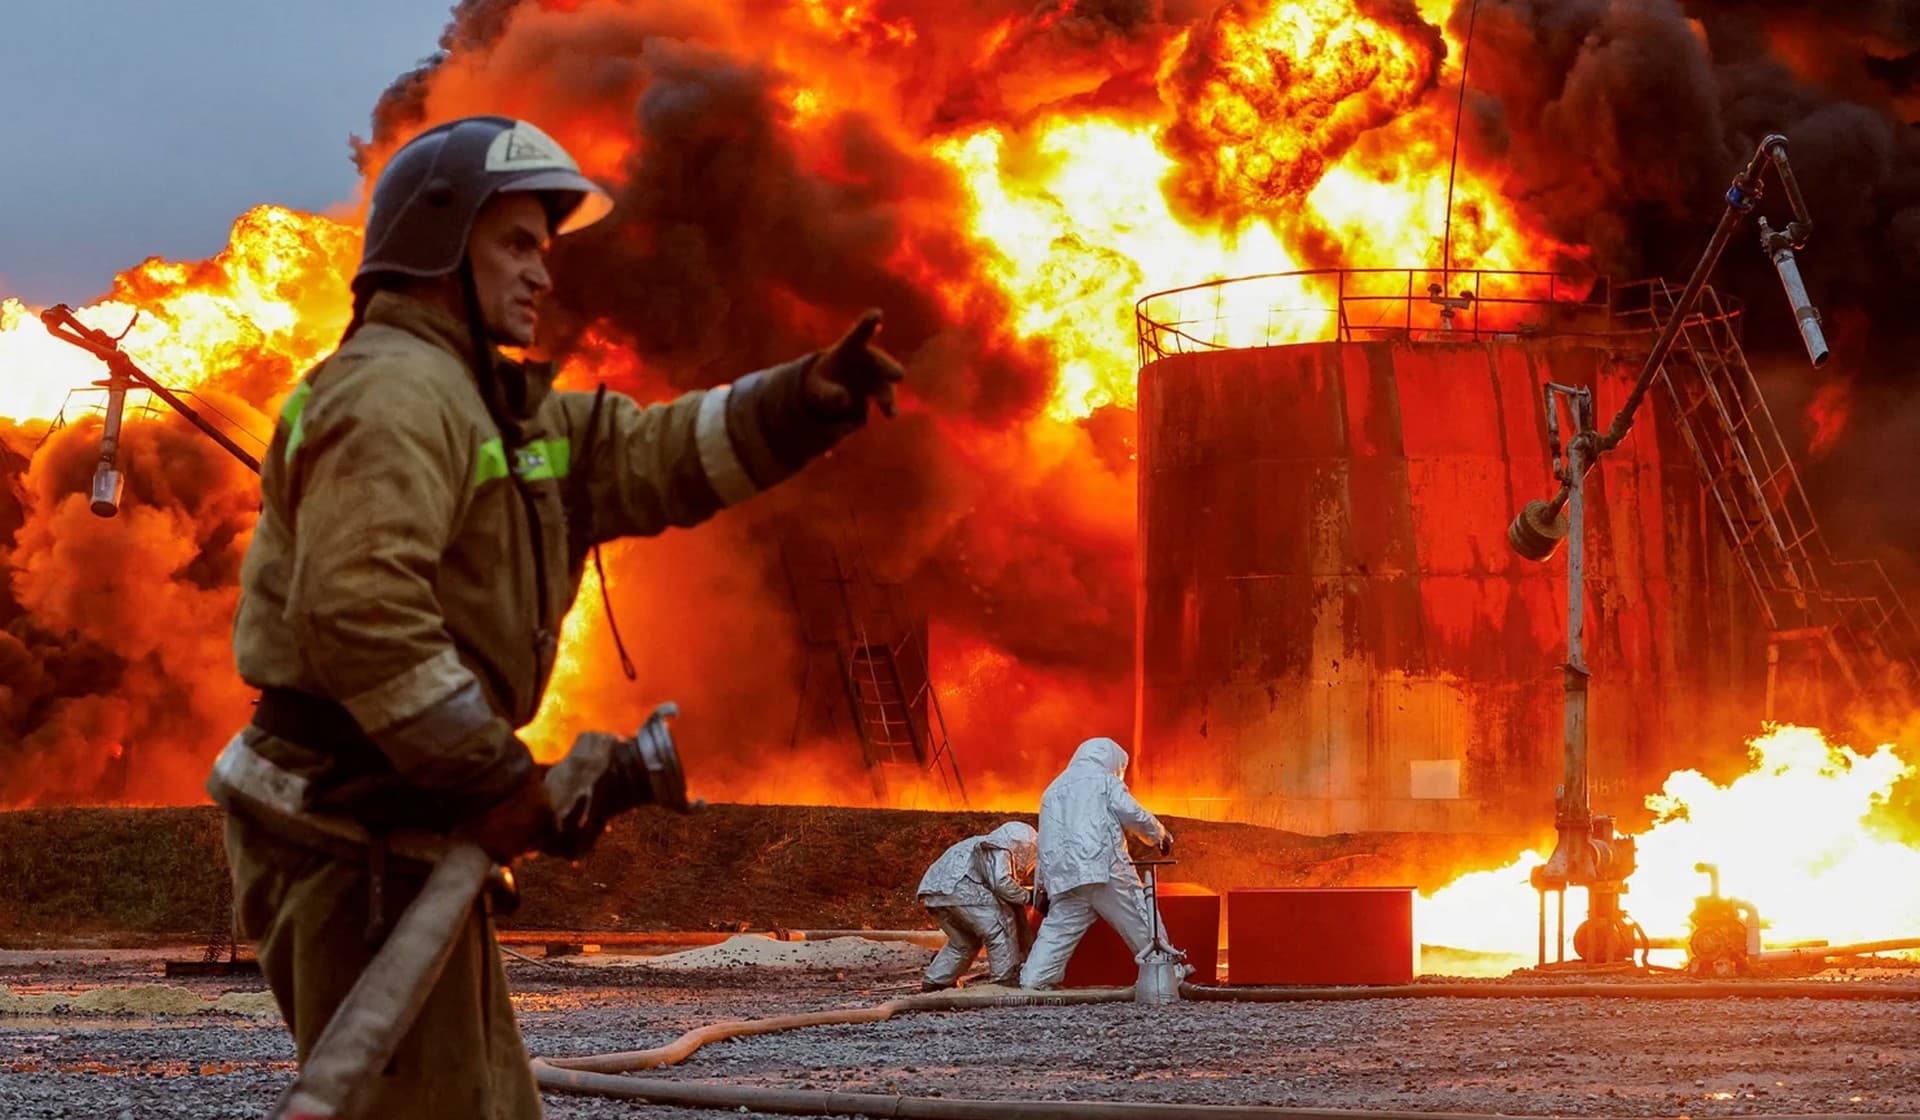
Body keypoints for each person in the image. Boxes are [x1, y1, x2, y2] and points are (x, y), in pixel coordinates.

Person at [206, 115, 905, 1118]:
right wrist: (498, 779)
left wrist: (801, 402)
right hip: (341, 828)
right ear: (442, 241)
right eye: (519, 244)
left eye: (546, 248)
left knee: (484, 1102)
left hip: (405, 820)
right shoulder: (394, 395)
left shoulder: (497, 409)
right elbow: (363, 616)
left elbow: (650, 455)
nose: (544, 274)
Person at [1018, 737, 1176, 990]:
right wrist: (1160, 835)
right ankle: (1168, 976)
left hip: (1067, 878)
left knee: (1057, 934)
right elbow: (1133, 813)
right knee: (1141, 918)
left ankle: (1034, 981)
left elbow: (1046, 843)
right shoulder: (1104, 780)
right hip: (1105, 869)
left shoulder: (1052, 790)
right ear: (1111, 760)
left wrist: (1042, 888)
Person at [916, 821, 1038, 990]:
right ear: (1023, 846)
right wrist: (1027, 896)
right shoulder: (999, 848)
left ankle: (937, 981)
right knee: (1000, 927)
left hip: (936, 895)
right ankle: (1004, 980)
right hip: (964, 891)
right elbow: (1001, 882)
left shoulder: (978, 844)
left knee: (964, 942)